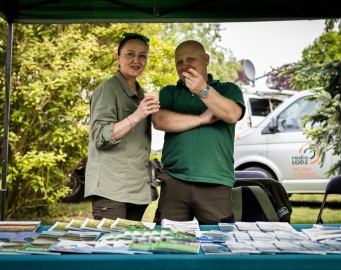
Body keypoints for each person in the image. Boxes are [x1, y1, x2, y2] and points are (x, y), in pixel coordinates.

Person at [152, 40, 246, 225]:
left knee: (219, 247)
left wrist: (203, 90)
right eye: (179, 62)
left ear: (206, 60)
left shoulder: (228, 89)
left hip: (216, 182)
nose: (184, 65)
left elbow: (232, 114)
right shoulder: (170, 92)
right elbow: (159, 120)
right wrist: (202, 119)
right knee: (169, 246)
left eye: (190, 59)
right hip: (174, 182)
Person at [84, 33, 160, 221]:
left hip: (136, 191)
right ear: (118, 58)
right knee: (112, 248)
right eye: (130, 54)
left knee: (132, 248)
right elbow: (101, 137)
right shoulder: (107, 90)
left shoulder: (141, 92)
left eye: (142, 55)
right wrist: (137, 115)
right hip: (112, 191)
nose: (136, 60)